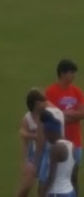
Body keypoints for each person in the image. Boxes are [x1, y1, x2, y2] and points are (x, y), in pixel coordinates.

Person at [45, 59, 84, 196]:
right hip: (58, 143)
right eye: (71, 72)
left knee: (73, 176)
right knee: (54, 176)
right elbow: (53, 116)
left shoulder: (77, 92)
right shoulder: (51, 92)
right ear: (62, 74)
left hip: (76, 142)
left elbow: (82, 113)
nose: (74, 76)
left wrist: (65, 114)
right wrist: (71, 115)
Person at [16, 89, 47, 197]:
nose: (45, 103)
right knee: (26, 186)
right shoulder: (27, 118)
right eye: (42, 101)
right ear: (36, 104)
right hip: (33, 155)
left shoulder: (46, 116)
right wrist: (25, 162)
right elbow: (23, 137)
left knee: (44, 187)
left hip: (46, 154)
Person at [38, 108, 75, 197]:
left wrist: (42, 194)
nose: (46, 138)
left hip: (57, 192)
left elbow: (51, 176)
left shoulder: (56, 148)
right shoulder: (71, 145)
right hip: (70, 191)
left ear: (50, 132)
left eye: (45, 134)